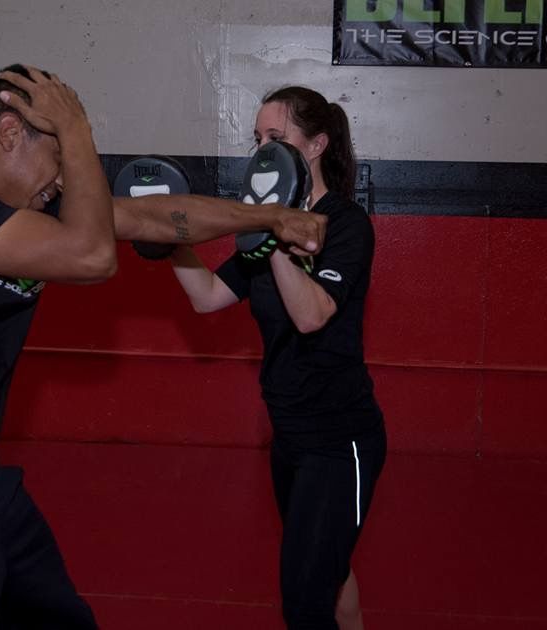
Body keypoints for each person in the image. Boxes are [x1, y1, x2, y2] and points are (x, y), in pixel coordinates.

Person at [0, 65, 327, 630]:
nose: (62, 181)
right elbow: (91, 257)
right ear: (10, 133)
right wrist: (77, 130)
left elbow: (154, 217)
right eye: (59, 158)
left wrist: (271, 216)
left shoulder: (12, 215)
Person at [168, 87, 386, 630]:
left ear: (314, 145)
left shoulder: (346, 225)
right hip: (288, 436)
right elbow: (207, 298)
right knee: (331, 574)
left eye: (276, 138)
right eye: (257, 139)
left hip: (340, 440)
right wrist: (169, 240)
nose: (262, 150)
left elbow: (312, 316)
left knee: (305, 598)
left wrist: (277, 240)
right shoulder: (263, 227)